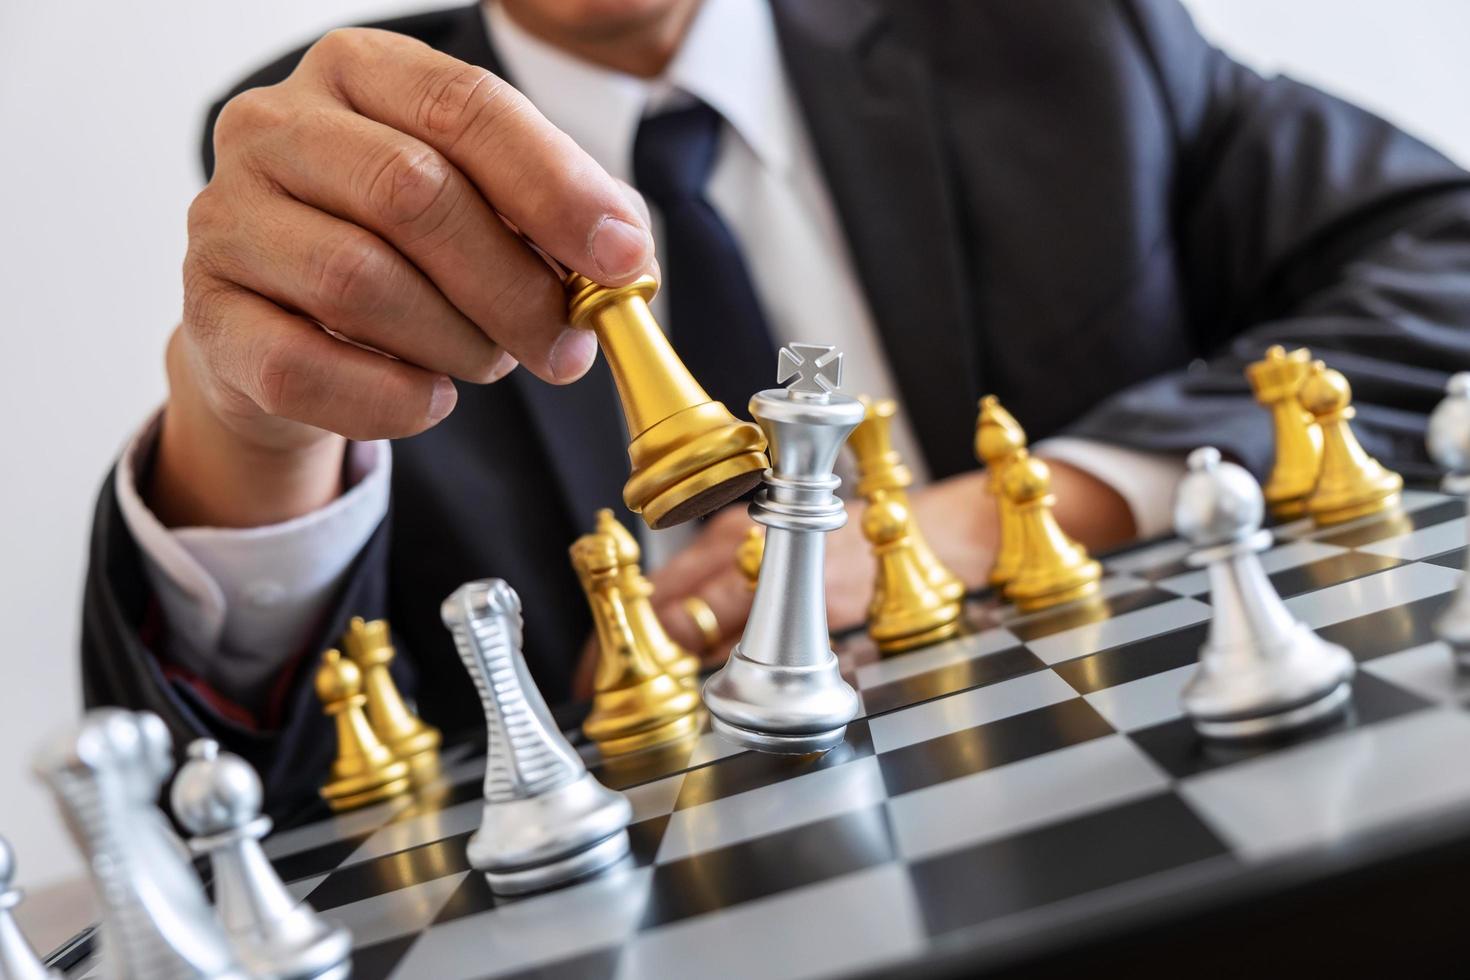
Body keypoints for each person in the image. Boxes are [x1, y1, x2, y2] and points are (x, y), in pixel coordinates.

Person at [83, 0, 1470, 815]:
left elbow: (1443, 259)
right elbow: (233, 771)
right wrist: (243, 431)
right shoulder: (336, 162)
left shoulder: (1041, 29)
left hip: (1177, 806)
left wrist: (997, 514)